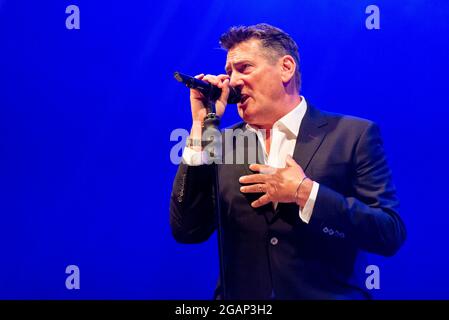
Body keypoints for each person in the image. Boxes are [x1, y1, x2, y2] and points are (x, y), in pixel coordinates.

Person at [170, 23, 406, 299]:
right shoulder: (221, 143)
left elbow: (388, 233)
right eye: (228, 72)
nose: (232, 81)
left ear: (286, 68)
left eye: (244, 68)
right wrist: (200, 126)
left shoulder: (352, 135)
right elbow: (187, 230)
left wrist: (307, 193)